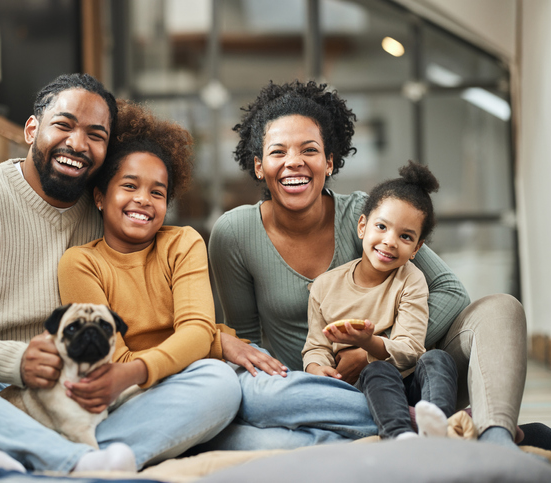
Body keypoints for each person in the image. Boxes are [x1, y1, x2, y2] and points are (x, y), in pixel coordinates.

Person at [0, 73, 232, 475]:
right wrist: (16, 360)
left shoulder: (106, 210)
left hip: (86, 394)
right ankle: (73, 461)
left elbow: (156, 298)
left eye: (95, 135)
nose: (77, 143)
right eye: (63, 124)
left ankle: (16, 458)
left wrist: (216, 338)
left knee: (217, 385)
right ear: (31, 128)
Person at [209, 79, 529, 450]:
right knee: (255, 398)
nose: (293, 161)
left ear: (329, 162)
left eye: (309, 150)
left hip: (415, 380)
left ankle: (496, 439)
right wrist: (315, 373)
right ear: (259, 165)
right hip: (317, 394)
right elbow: (248, 342)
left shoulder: (368, 216)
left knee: (501, 309)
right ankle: (429, 426)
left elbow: (452, 292)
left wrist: (375, 349)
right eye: (278, 151)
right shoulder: (234, 233)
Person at [56, 100, 243, 467]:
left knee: (272, 396)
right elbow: (118, 364)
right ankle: (75, 461)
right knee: (219, 384)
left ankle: (390, 420)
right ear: (99, 196)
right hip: (143, 395)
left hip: (189, 379)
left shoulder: (183, 241)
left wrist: (202, 337)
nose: (143, 199)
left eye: (157, 193)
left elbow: (194, 329)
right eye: (129, 186)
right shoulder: (80, 263)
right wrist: (213, 342)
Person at [303, 161, 459, 440]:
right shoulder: (325, 287)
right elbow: (316, 346)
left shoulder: (411, 279)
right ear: (362, 226)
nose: (390, 241)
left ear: (416, 249)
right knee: (377, 370)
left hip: (411, 384)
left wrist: (368, 342)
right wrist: (317, 368)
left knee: (438, 358)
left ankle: (437, 429)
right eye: (382, 226)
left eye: (405, 236)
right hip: (368, 390)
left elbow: (411, 349)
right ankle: (400, 436)